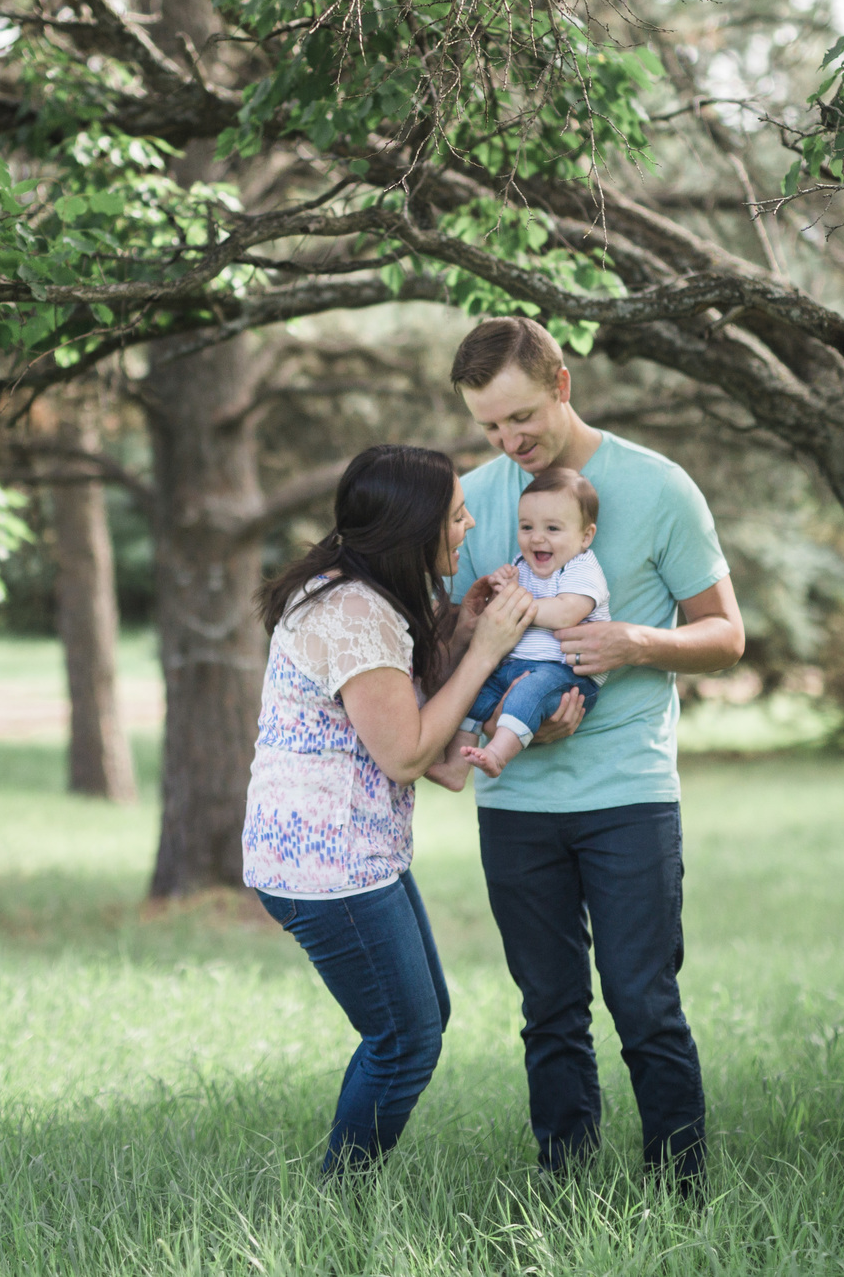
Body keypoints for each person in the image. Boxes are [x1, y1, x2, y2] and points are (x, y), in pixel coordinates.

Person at [446, 318, 745, 1190]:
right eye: (490, 426)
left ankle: (682, 1188)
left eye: (522, 418)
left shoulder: (660, 487)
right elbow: (443, 635)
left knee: (645, 1005)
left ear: (563, 383)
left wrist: (633, 644)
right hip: (515, 800)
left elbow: (726, 634)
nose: (509, 442)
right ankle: (565, 1186)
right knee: (549, 1011)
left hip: (629, 792)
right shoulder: (470, 497)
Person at [240, 442, 587, 1176]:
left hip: (357, 855)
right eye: (456, 516)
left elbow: (440, 758)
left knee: (418, 1021)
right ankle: (337, 1196)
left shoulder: (369, 597)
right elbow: (408, 754)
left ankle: (342, 1187)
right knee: (405, 1038)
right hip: (325, 866)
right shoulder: (351, 613)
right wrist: (486, 651)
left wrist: (461, 630)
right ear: (415, 524)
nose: (466, 528)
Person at [454, 464, 609, 779]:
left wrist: (514, 603)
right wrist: (501, 587)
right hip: (516, 664)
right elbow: (501, 611)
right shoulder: (521, 565)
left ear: (585, 536)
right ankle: (454, 765)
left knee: (528, 691)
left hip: (564, 673)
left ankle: (497, 755)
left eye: (553, 529)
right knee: (474, 691)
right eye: (526, 527)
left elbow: (565, 613)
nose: (537, 538)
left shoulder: (582, 569)